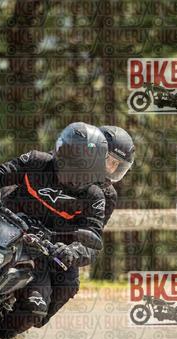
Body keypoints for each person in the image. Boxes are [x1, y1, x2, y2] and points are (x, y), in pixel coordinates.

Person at [0, 122, 108, 339]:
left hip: (40, 253)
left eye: (85, 170)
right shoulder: (37, 161)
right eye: (71, 164)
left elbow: (93, 238)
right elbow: (0, 173)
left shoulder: (95, 197)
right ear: (59, 154)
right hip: (2, 226)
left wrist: (72, 251)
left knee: (35, 307)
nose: (76, 175)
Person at [38, 125, 135, 327]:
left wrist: (73, 250)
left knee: (68, 284)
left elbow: (93, 234)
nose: (110, 169)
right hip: (27, 223)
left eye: (116, 165)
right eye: (108, 160)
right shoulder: (59, 162)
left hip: (60, 243)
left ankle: (28, 322)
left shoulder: (107, 195)